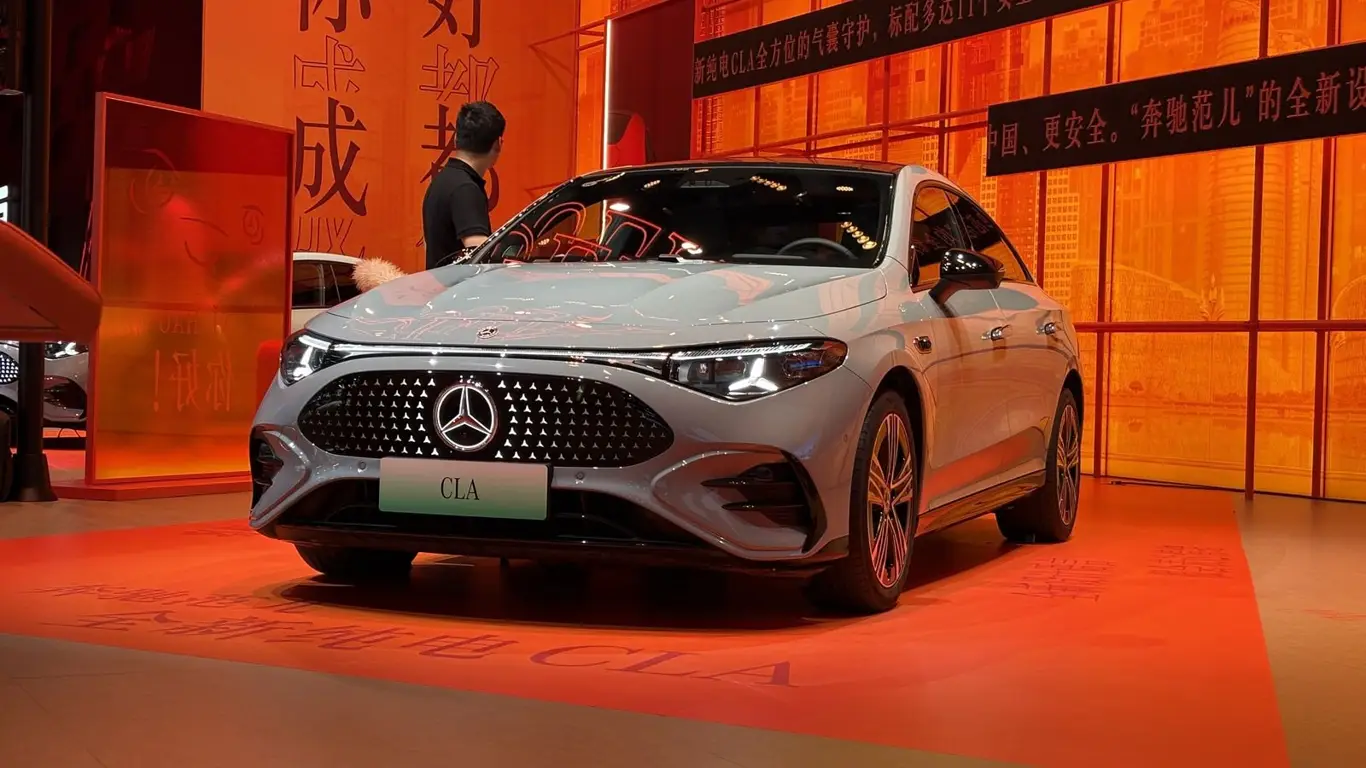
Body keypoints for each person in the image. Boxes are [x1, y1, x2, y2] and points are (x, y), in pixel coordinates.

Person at [422, 101, 505, 270]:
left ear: (455, 138)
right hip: (456, 286)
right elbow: (477, 255)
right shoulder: (465, 189)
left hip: (438, 282)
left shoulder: (443, 180)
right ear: (497, 144)